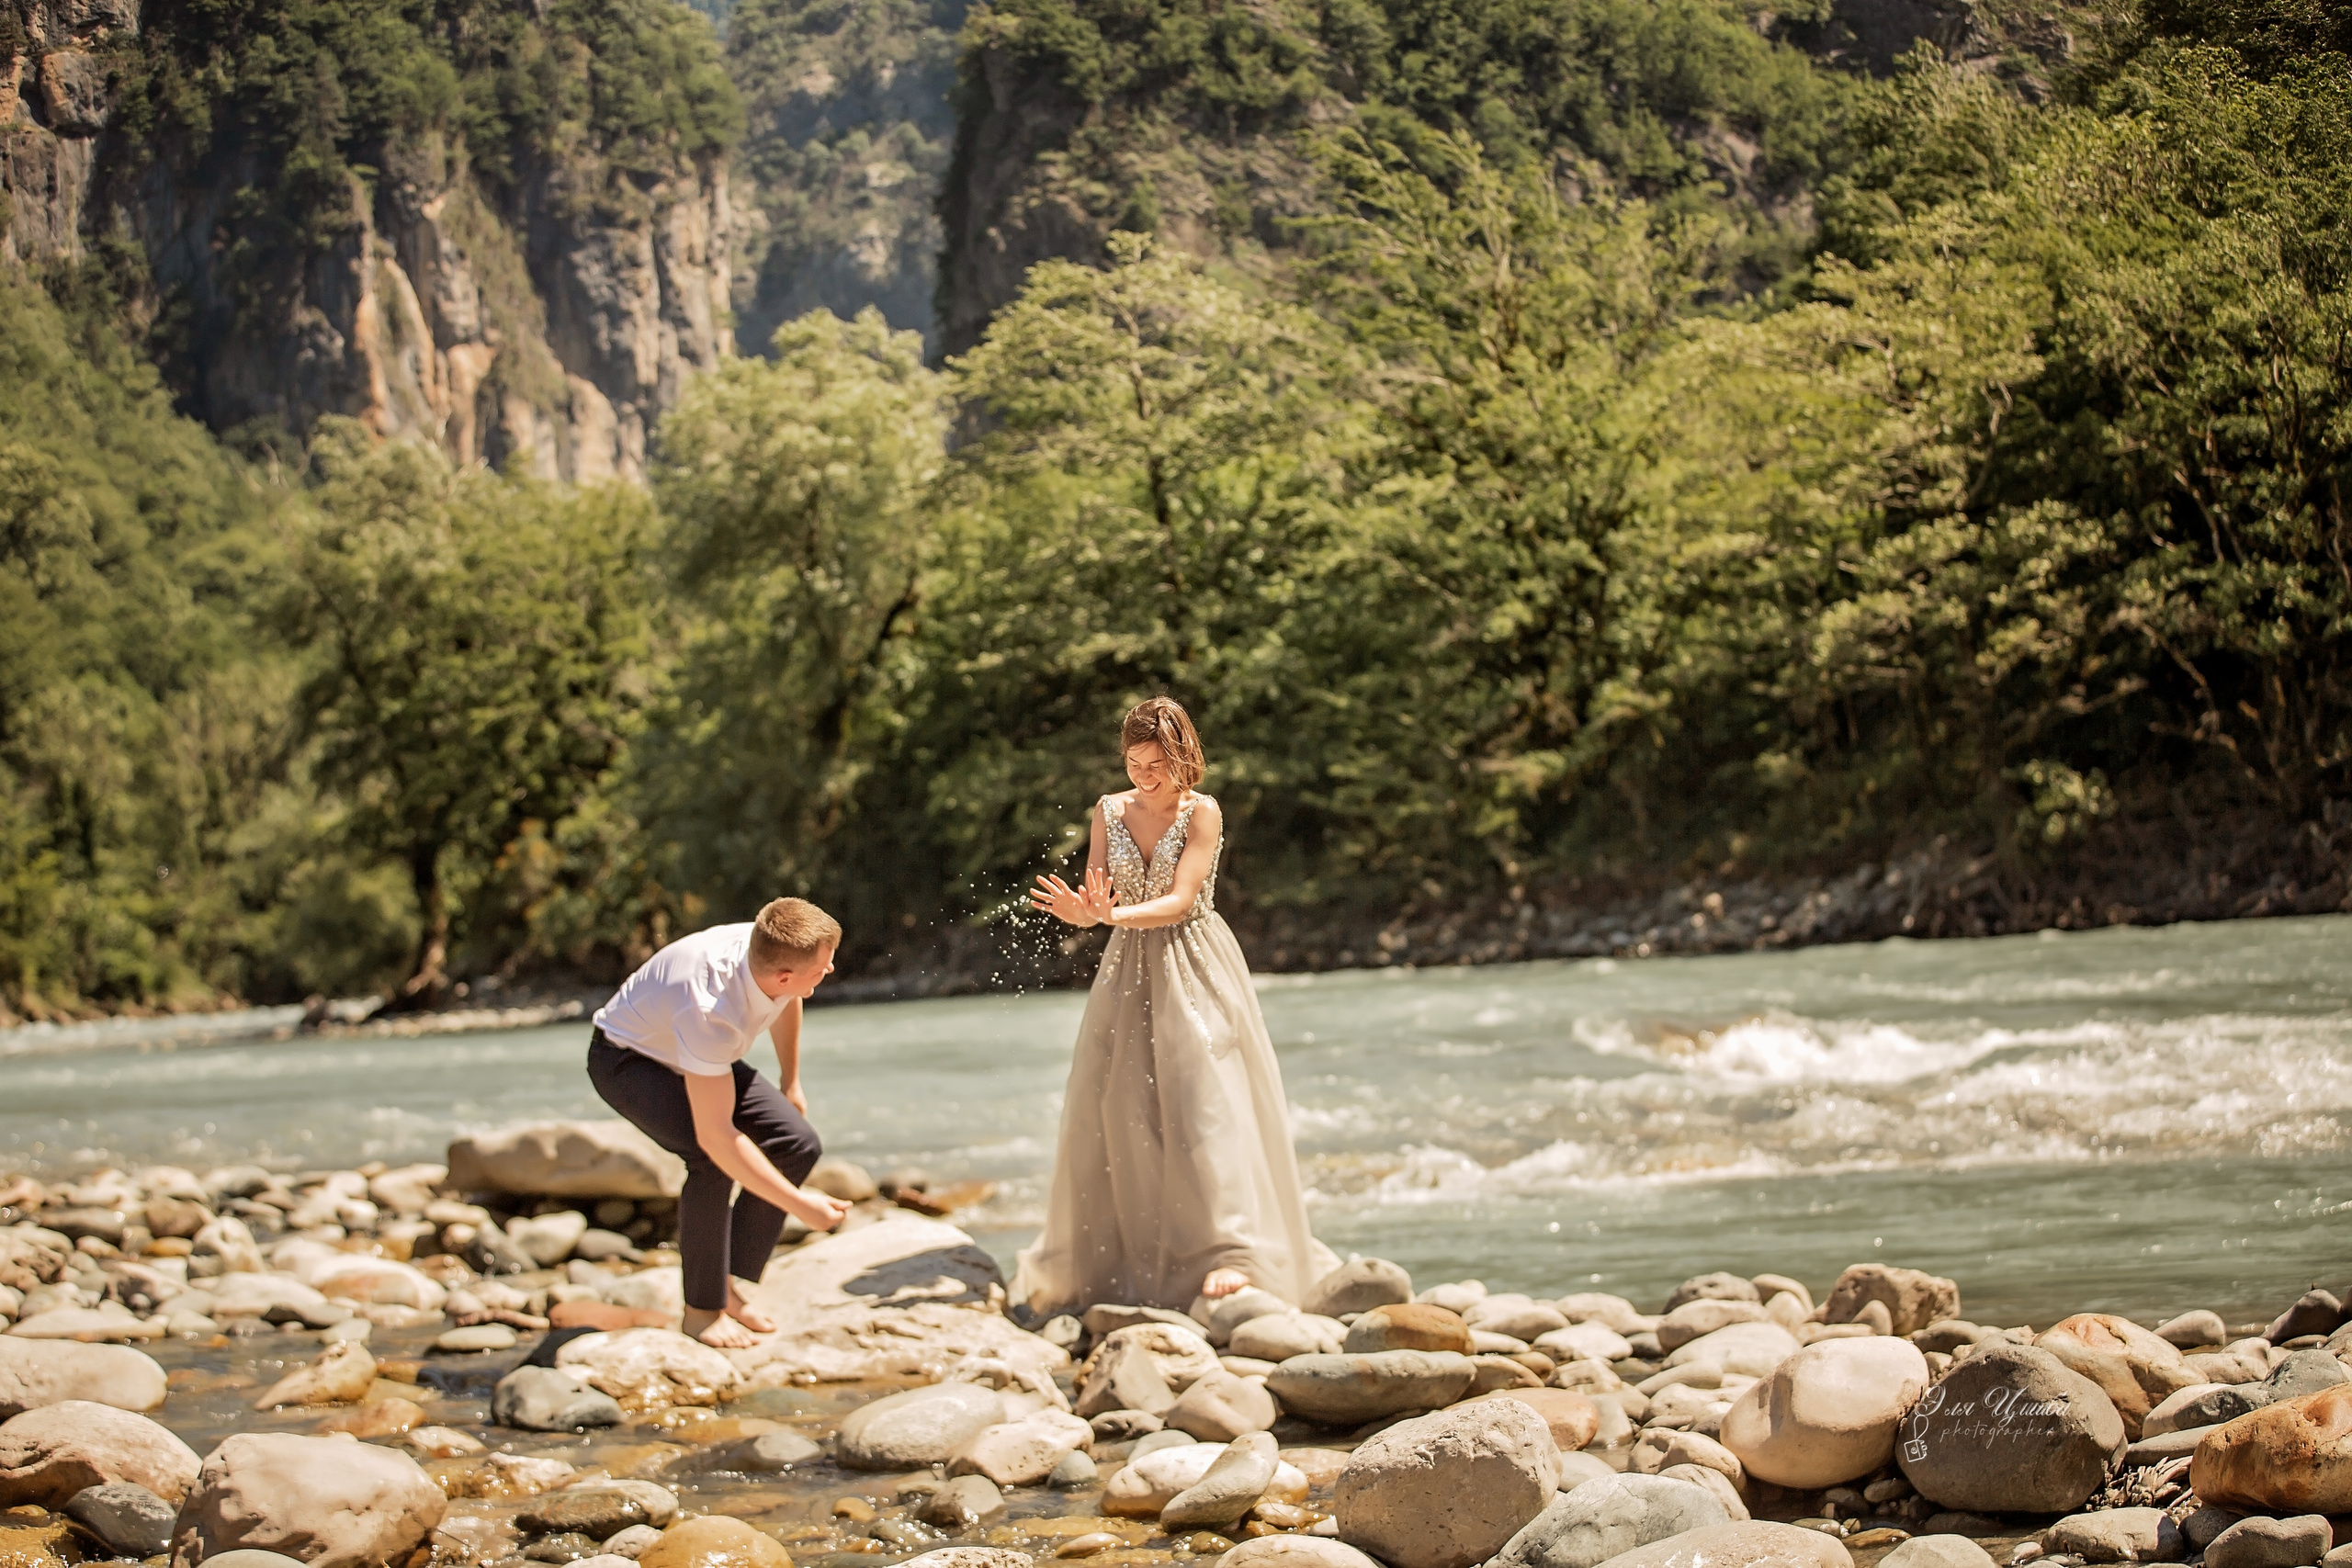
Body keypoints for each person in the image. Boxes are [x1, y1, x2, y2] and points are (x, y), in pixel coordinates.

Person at [1015, 696, 1337, 1316]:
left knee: (1204, 1099)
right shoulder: (1108, 811)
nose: (1143, 775)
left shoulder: (1202, 812)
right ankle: (1119, 1255)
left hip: (1196, 961)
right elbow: (1097, 889)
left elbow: (1184, 899)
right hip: (1127, 969)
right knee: (1121, 1103)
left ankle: (1228, 1252)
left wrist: (1113, 916)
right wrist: (1089, 912)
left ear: (1182, 755)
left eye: (1155, 763)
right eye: (1134, 762)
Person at [587, 897, 852, 1348]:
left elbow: (787, 999)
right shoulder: (711, 1009)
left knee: (796, 1142)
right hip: (629, 1061)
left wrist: (792, 1082)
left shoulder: (771, 950)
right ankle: (701, 1312)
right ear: (785, 973)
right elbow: (717, 1138)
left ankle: (726, 1284)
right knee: (709, 1161)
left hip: (691, 1049)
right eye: (823, 967)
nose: (829, 971)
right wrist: (799, 1206)